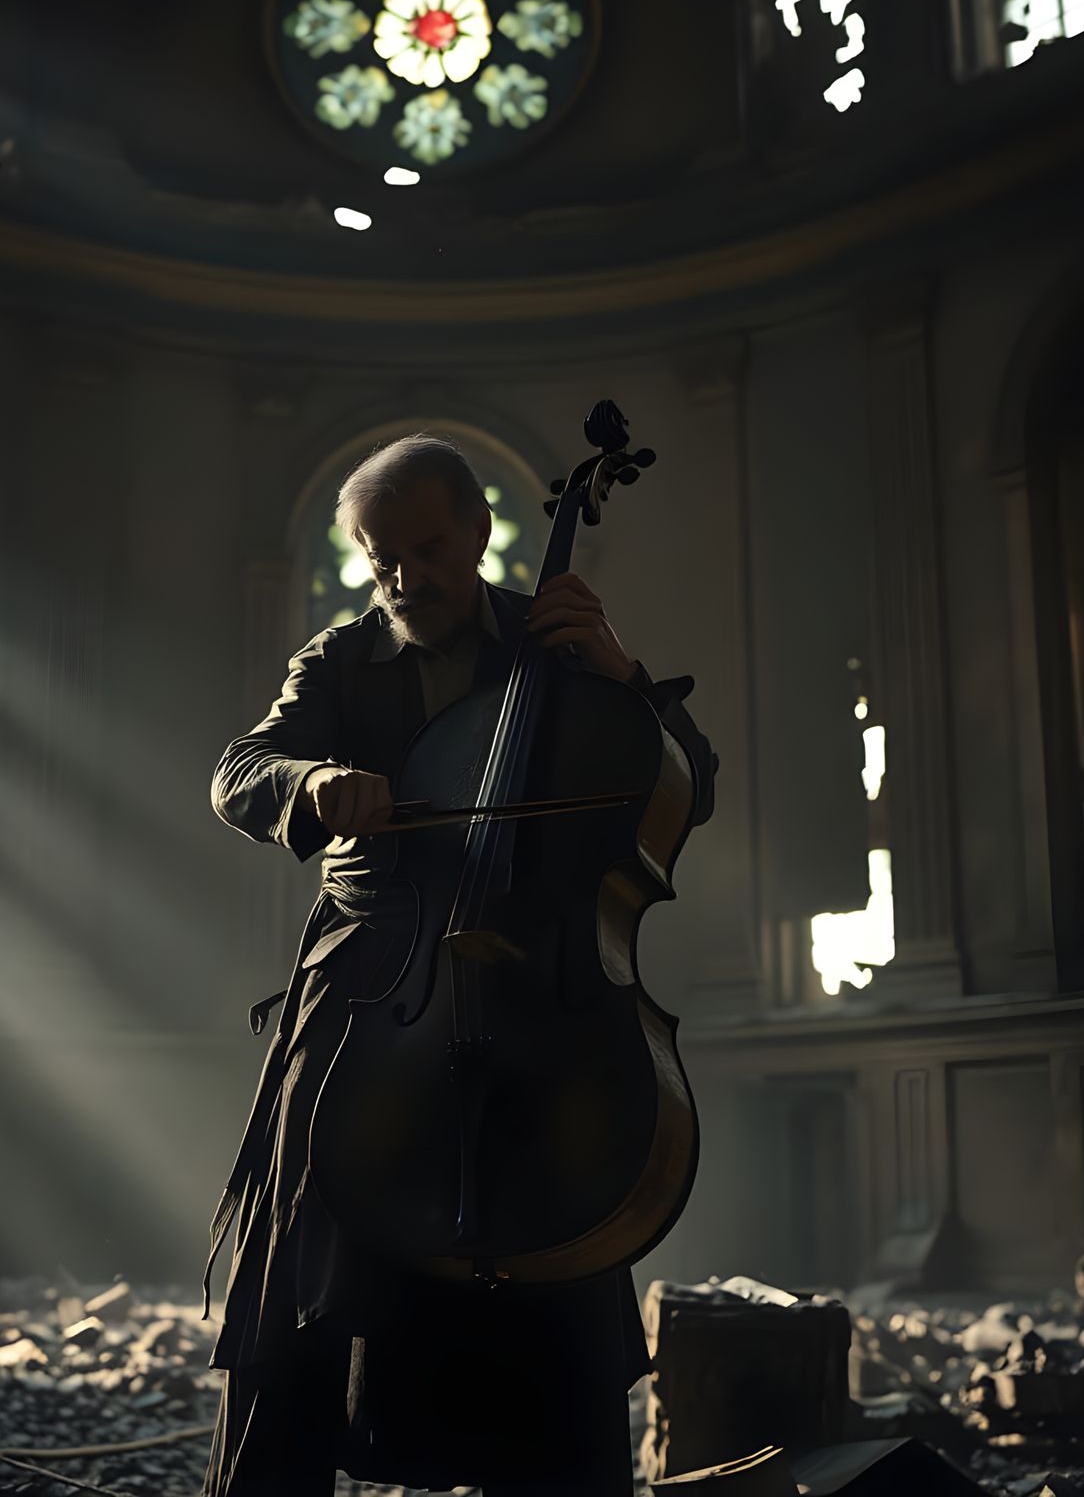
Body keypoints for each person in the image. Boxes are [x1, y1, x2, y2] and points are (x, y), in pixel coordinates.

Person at [200, 433, 718, 1496]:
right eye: (379, 557)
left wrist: (621, 678)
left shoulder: (560, 644)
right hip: (371, 994)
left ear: (477, 533)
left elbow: (689, 785)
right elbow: (238, 772)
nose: (403, 577)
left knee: (554, 1264)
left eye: (426, 549)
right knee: (302, 1276)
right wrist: (314, 784)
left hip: (538, 997)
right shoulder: (340, 660)